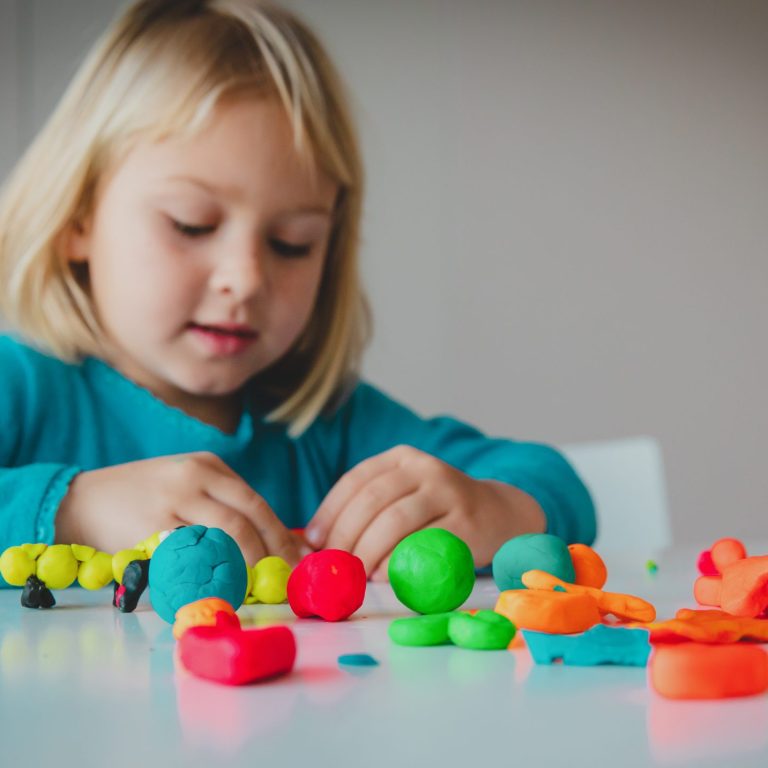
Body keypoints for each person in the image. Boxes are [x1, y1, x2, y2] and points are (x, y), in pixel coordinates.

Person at [0, 0, 595, 582]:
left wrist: (497, 509)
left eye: (291, 243)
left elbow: (556, 483)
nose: (247, 278)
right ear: (78, 217)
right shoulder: (23, 388)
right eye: (191, 223)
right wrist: (74, 508)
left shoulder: (322, 422)